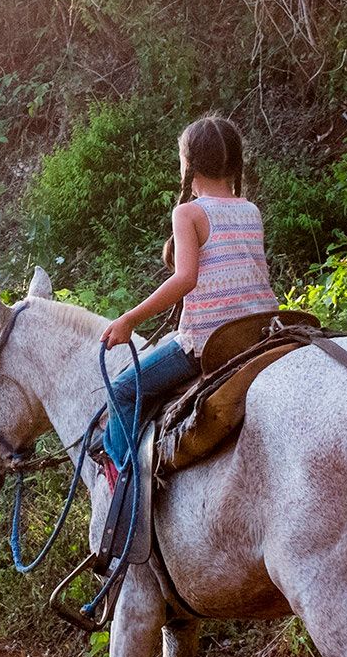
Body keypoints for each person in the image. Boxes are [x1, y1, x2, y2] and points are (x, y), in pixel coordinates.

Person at [99, 113, 278, 471]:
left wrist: (128, 320)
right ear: (235, 164)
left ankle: (126, 484)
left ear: (188, 165)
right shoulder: (250, 210)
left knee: (122, 391)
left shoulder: (188, 213)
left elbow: (185, 279)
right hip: (261, 330)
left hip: (210, 339)